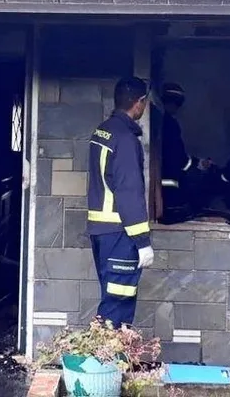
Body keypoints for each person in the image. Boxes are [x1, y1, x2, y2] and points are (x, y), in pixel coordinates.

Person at [86, 76, 154, 328]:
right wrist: (142, 241)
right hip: (120, 232)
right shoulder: (125, 139)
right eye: (144, 103)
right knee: (117, 302)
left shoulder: (103, 130)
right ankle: (106, 361)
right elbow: (129, 191)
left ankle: (110, 359)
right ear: (139, 103)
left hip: (102, 231)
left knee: (111, 296)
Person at [159, 83, 214, 218]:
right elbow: (177, 157)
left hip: (161, 188)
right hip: (168, 188)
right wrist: (198, 164)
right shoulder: (169, 124)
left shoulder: (159, 121)